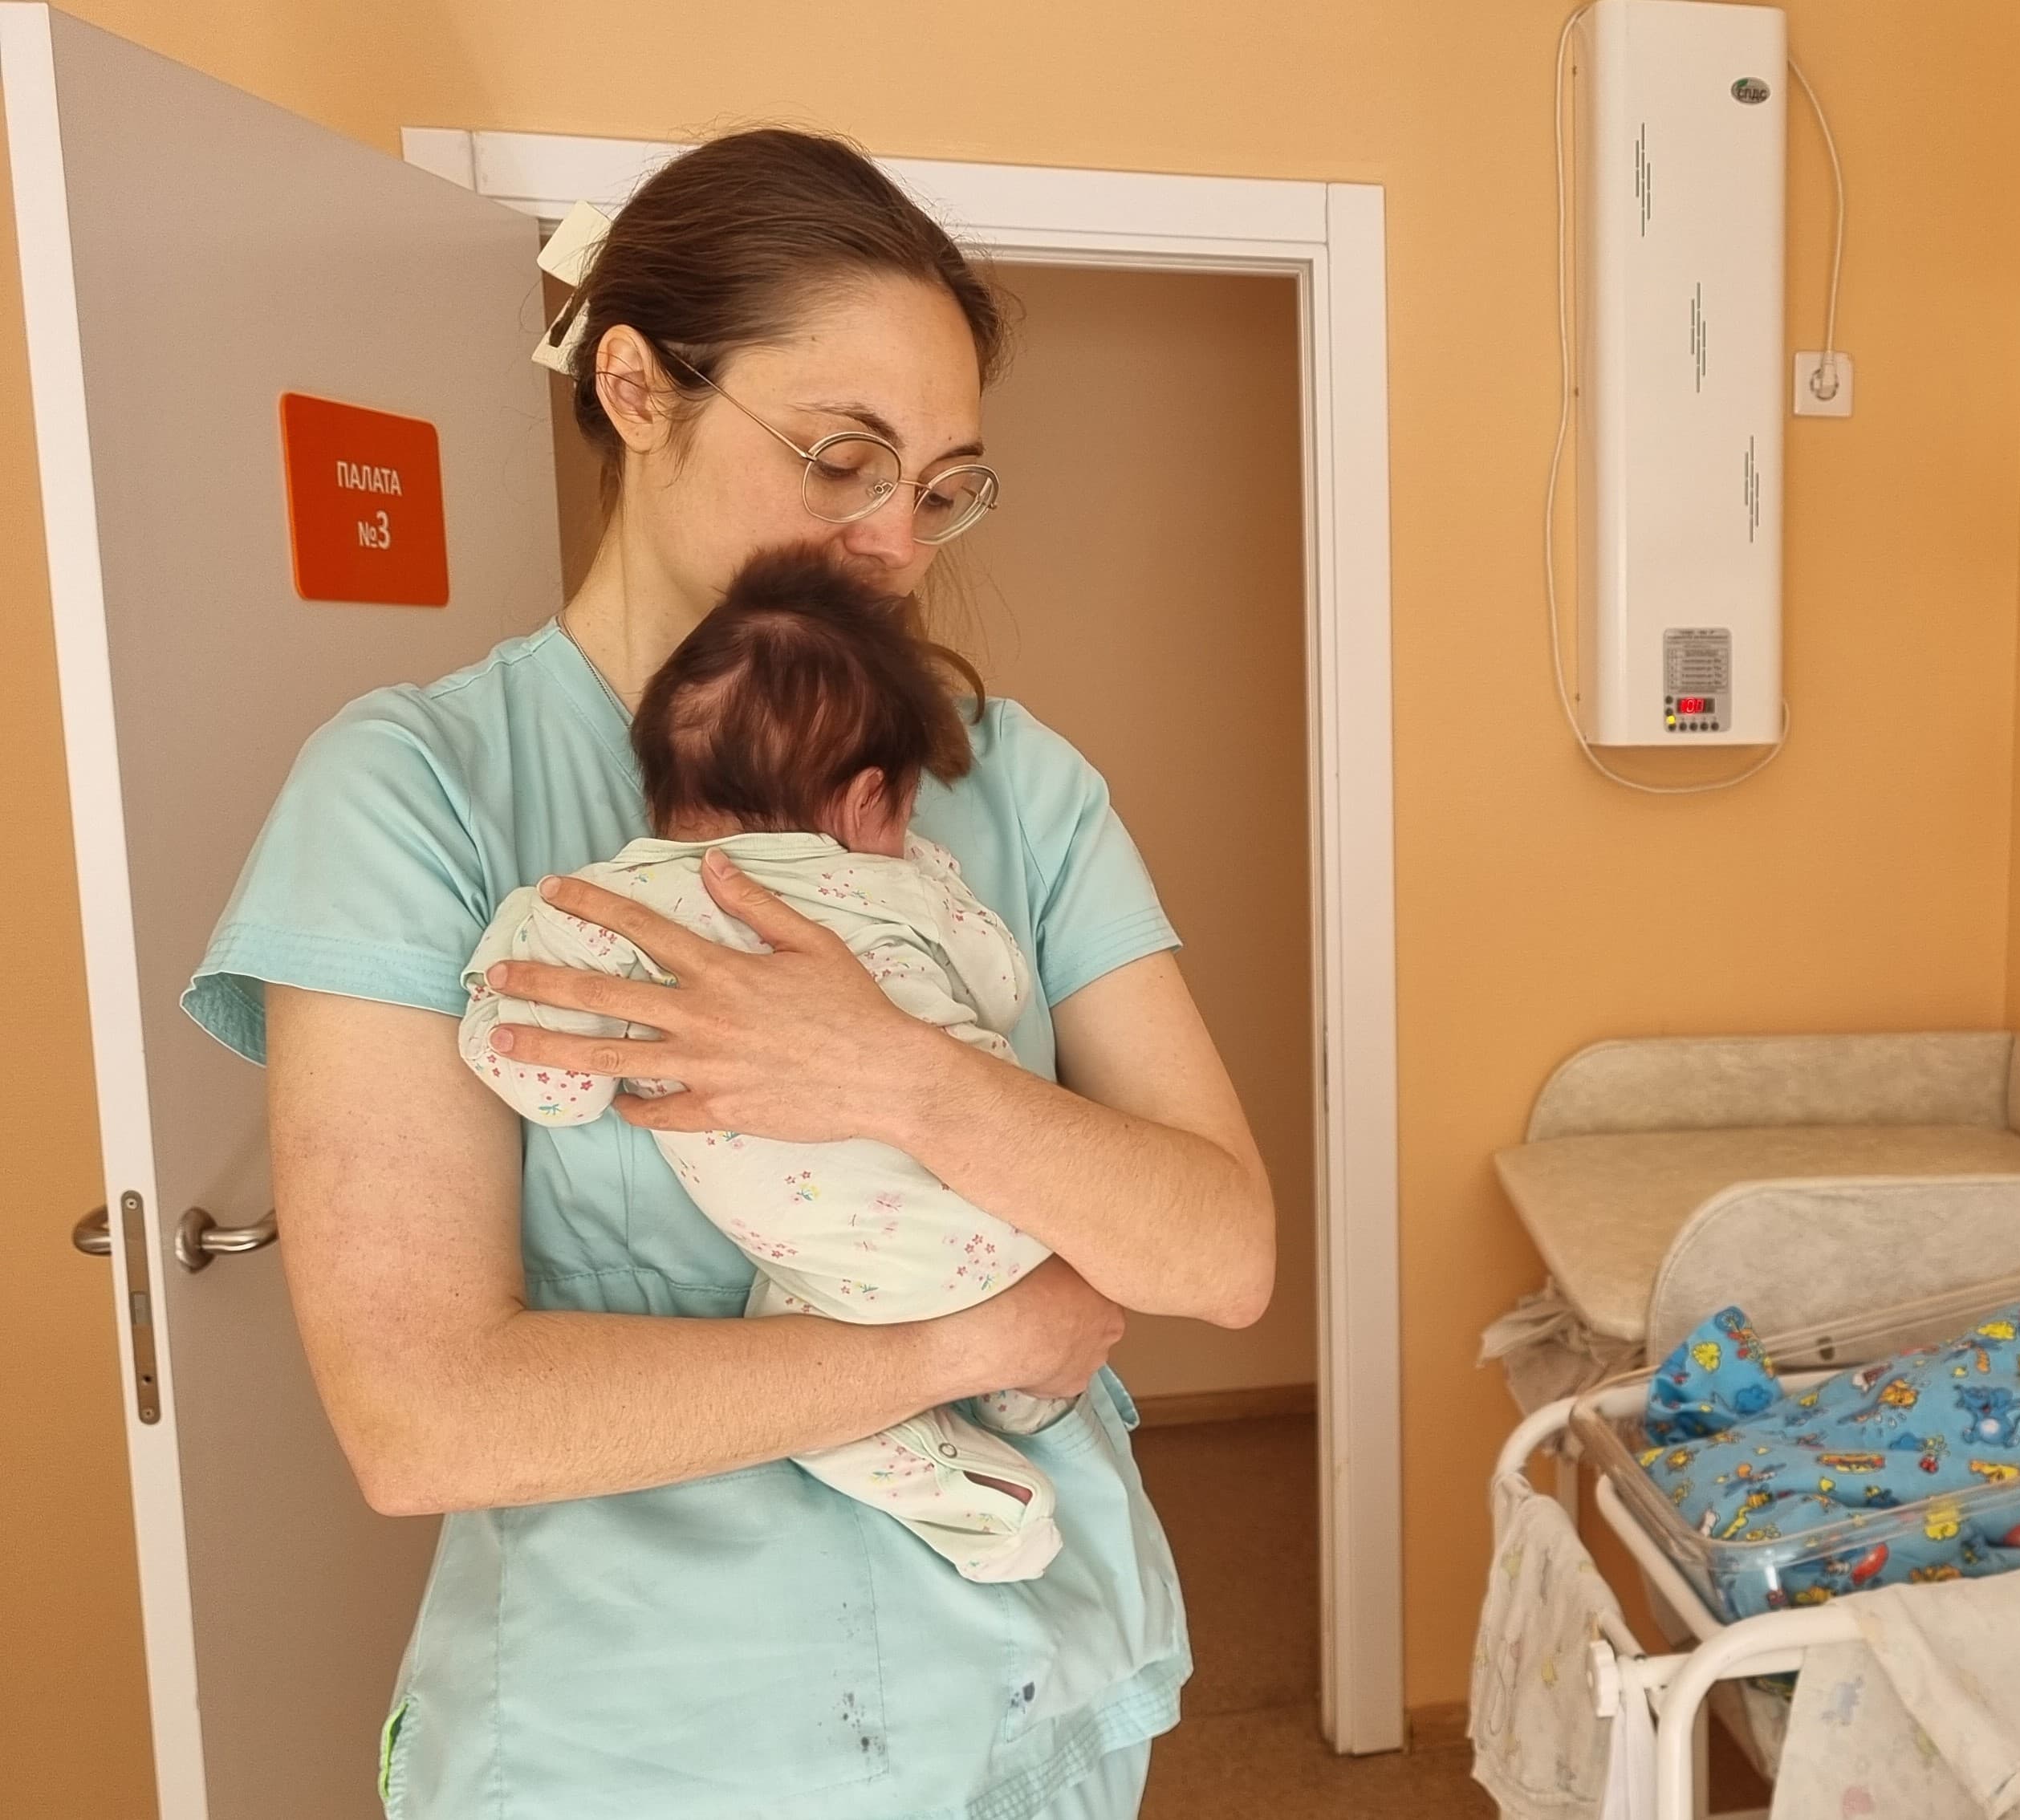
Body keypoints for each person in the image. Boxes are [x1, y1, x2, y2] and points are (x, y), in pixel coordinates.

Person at [181, 127, 1273, 1818]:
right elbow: (428, 1415)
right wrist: (971, 1339)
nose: (894, 537)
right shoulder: (414, 792)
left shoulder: (1008, 781)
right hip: (640, 1751)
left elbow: (1223, 1249)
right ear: (636, 389)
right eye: (842, 458)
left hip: (1027, 1705)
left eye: (942, 485)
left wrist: (898, 1075)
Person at [459, 546, 1085, 1585]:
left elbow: (553, 1088)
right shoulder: (910, 884)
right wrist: (927, 896)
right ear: (872, 798)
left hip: (846, 1270)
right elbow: (1003, 989)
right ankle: (1029, 1392)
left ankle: (985, 1502)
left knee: (808, 1395)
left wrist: (498, 996)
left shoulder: (608, 911)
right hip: (1016, 1213)